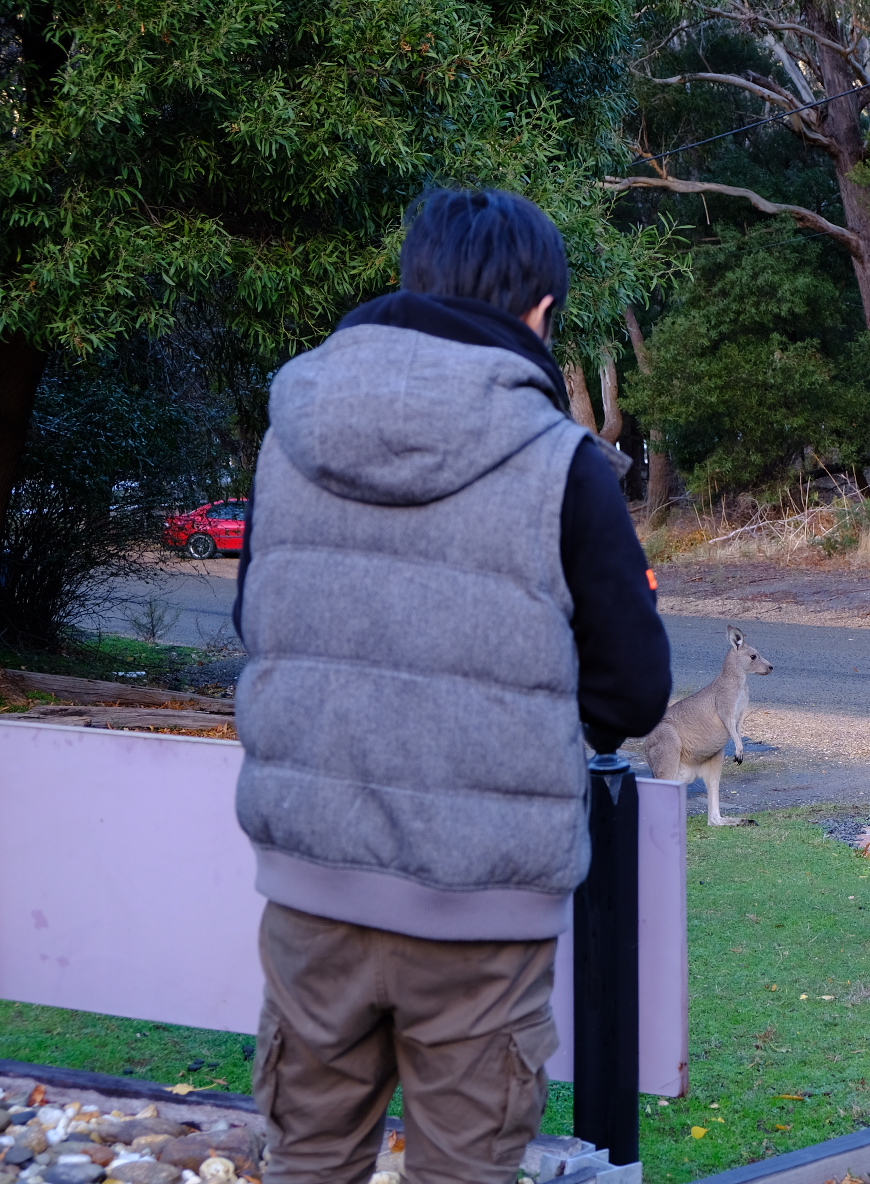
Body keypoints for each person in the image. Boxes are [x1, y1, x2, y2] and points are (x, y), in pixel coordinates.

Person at [231, 187, 671, 1184]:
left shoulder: (288, 432)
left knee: (307, 1159)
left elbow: (259, 622)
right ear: (540, 315)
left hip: (311, 888)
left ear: (411, 281)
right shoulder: (566, 464)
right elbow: (636, 689)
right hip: (484, 909)